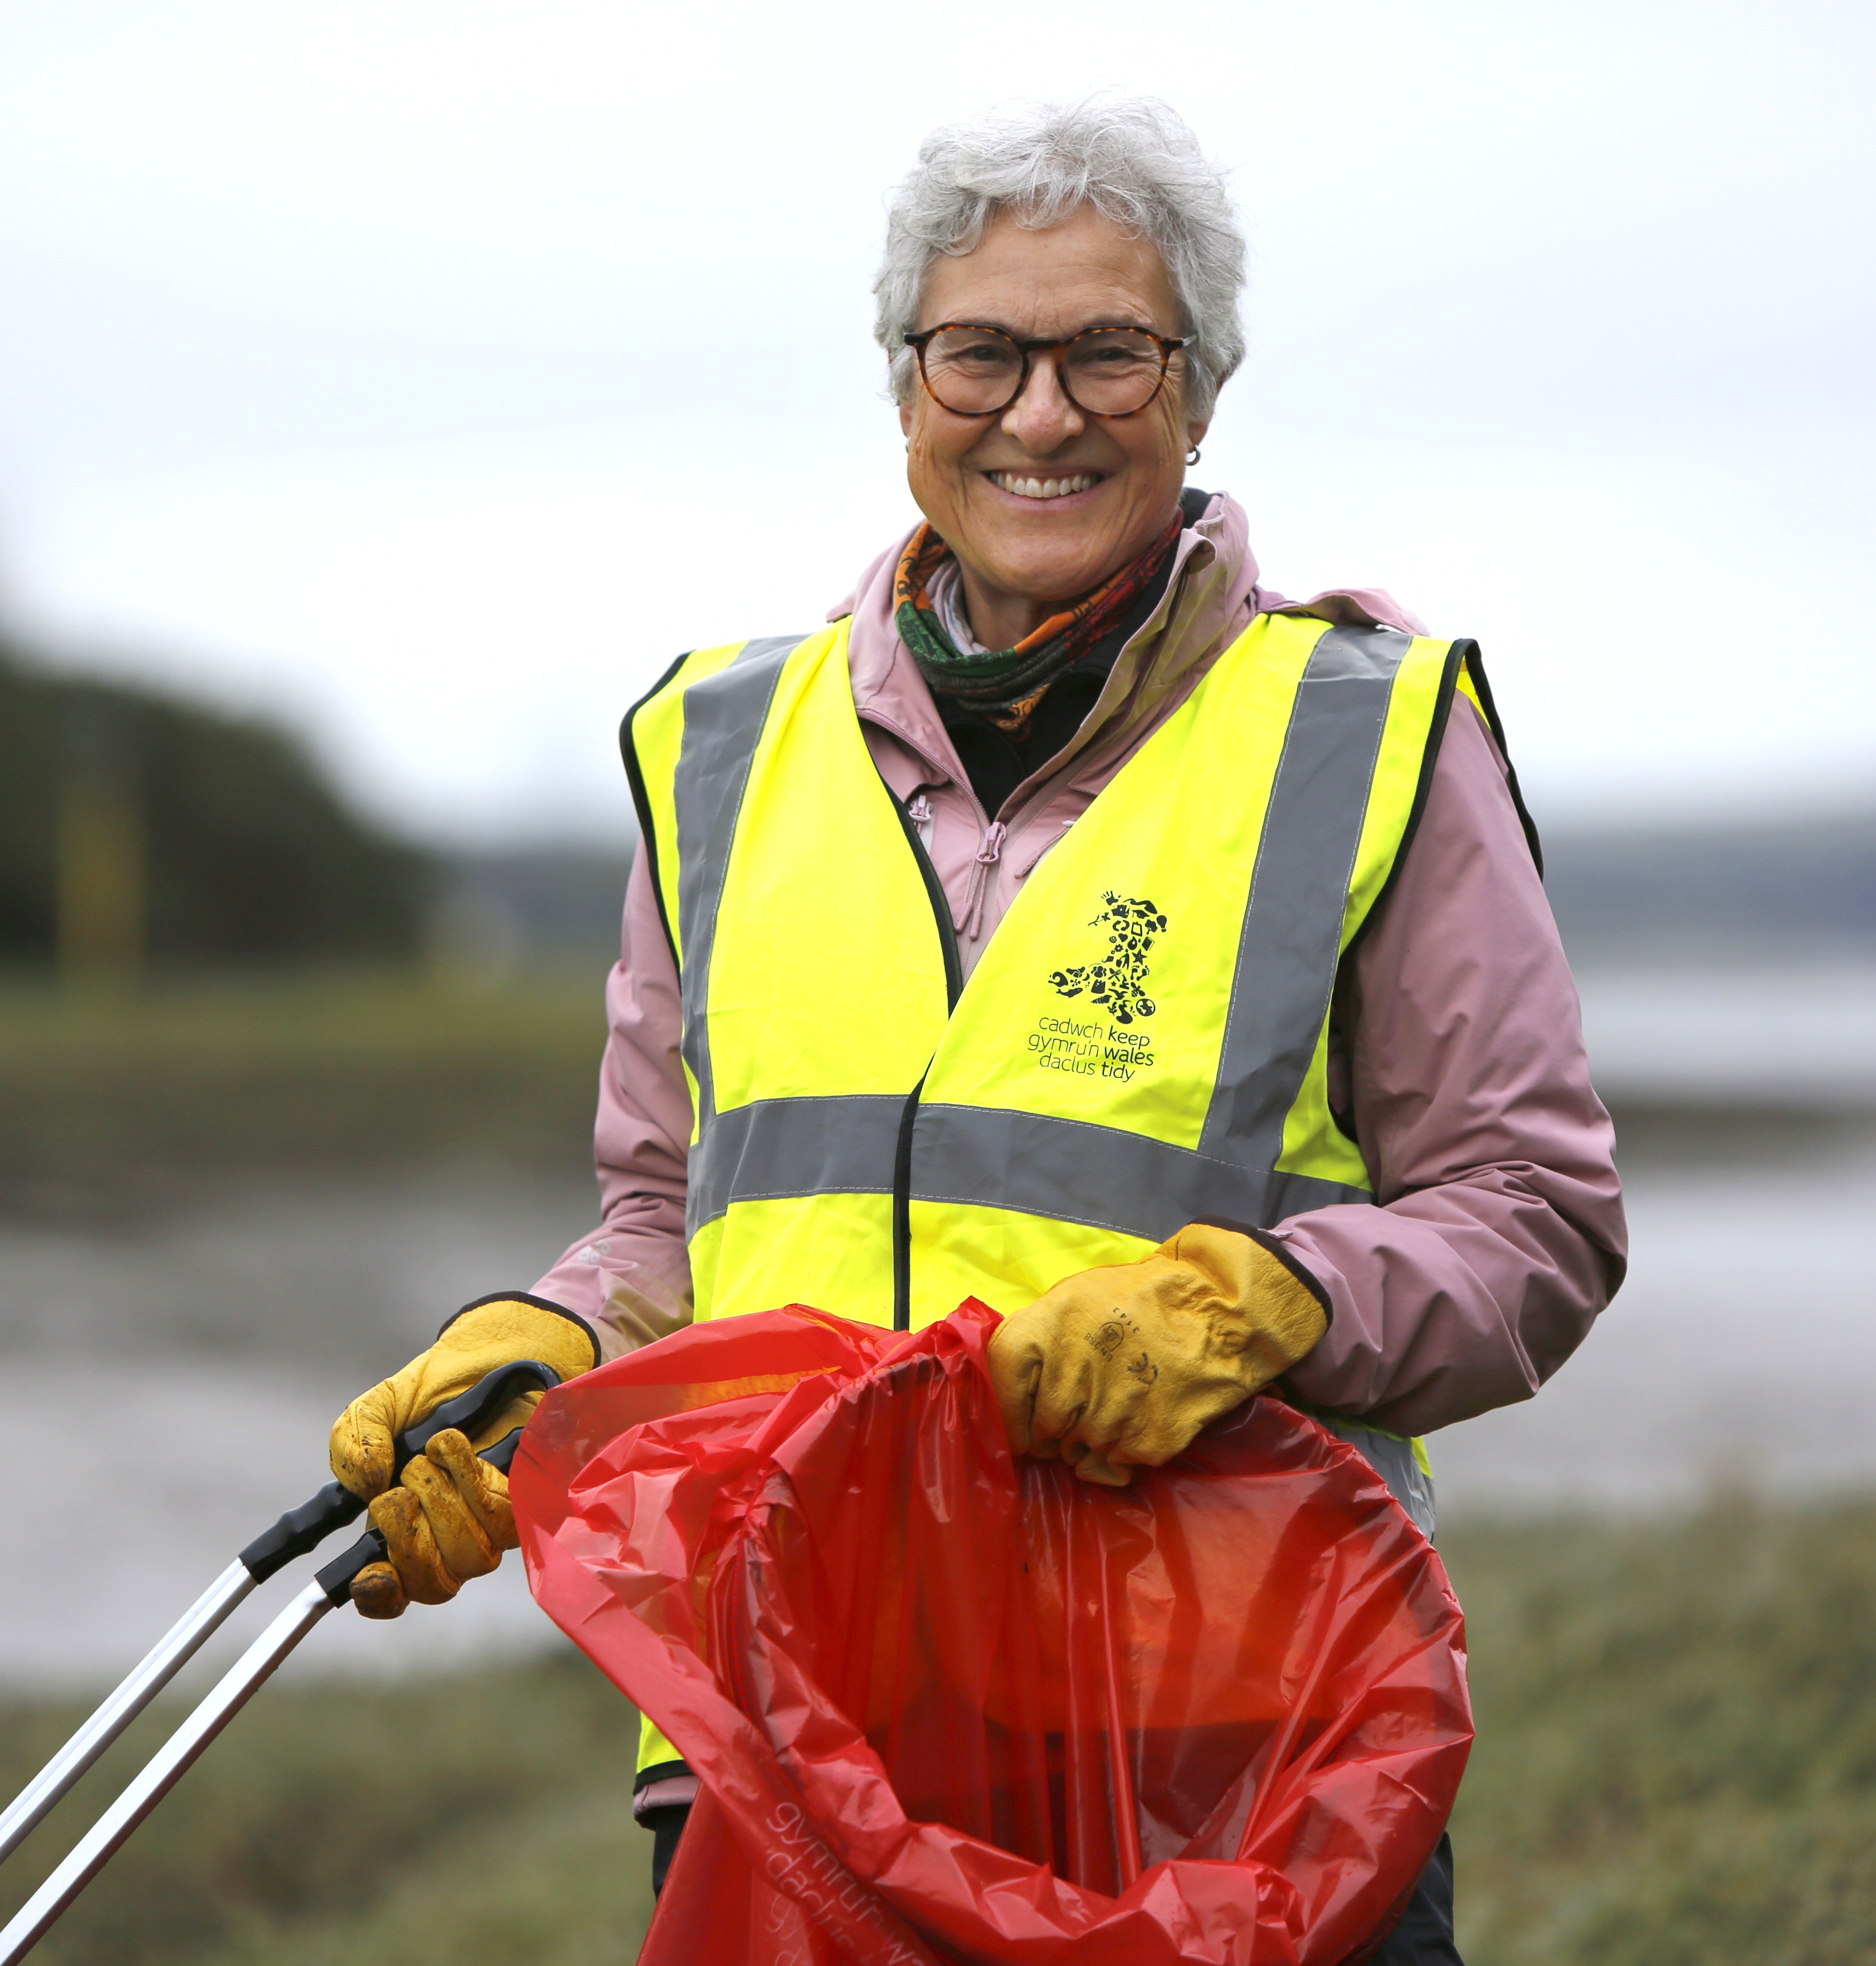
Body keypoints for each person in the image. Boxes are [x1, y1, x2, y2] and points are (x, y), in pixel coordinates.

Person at [326, 93, 1626, 1963]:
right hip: (785, 1732)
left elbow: (1535, 1216)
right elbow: (665, 1231)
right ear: (904, 386)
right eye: (981, 354)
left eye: (1109, 350)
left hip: (1230, 1753)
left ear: (1200, 389)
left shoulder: (1369, 731)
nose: (1040, 411)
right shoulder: (715, 749)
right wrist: (543, 1348)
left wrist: (1261, 1304)